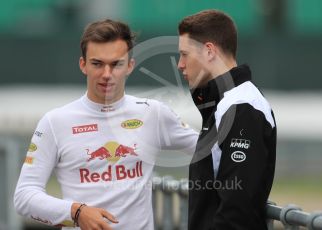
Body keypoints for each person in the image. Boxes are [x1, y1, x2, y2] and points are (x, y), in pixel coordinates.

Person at [14, 19, 198, 230]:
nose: (107, 74)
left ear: (130, 66)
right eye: (97, 64)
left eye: (116, 64)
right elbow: (24, 196)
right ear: (83, 65)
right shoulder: (55, 122)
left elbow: (211, 150)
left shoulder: (153, 113)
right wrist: (75, 212)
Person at [177, 10, 277, 230]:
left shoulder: (242, 106)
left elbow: (237, 210)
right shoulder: (222, 104)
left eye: (185, 54)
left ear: (209, 51)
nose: (180, 65)